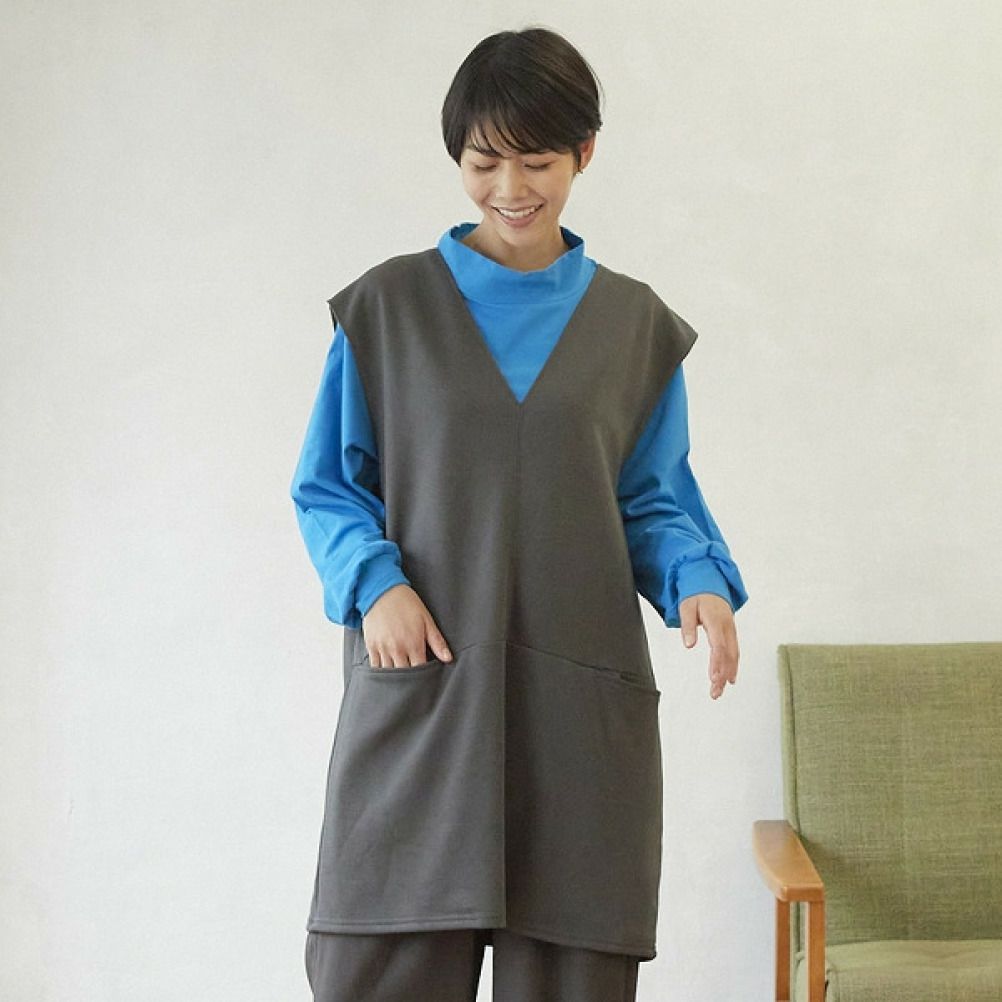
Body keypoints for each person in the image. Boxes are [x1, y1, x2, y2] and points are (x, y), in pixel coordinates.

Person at [290, 25, 748, 1002]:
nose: (509, 188)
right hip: (424, 706)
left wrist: (696, 580)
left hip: (574, 728)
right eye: (482, 162)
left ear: (585, 152)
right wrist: (374, 585)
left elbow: (651, 495)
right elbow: (330, 483)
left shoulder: (633, 328)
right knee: (377, 972)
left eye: (536, 161)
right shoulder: (387, 310)